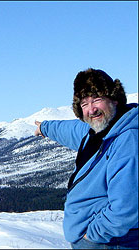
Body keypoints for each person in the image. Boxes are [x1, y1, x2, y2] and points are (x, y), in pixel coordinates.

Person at [34, 68, 138, 249]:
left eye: (97, 99)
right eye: (84, 104)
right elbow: (68, 129)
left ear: (114, 99)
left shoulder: (128, 140)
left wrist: (92, 235)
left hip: (110, 242)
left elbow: (127, 208)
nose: (92, 109)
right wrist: (45, 127)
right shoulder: (95, 130)